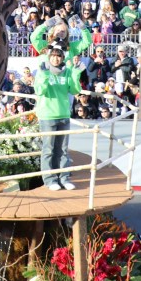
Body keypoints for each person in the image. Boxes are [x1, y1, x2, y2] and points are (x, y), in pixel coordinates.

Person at [30, 19, 87, 190]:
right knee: (48, 149)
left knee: (62, 149)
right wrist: (47, 23)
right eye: (53, 55)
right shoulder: (43, 65)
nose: (56, 57)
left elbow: (74, 89)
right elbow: (39, 90)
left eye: (59, 55)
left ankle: (63, 177)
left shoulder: (68, 65)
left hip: (63, 112)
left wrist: (76, 73)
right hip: (47, 114)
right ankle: (50, 180)